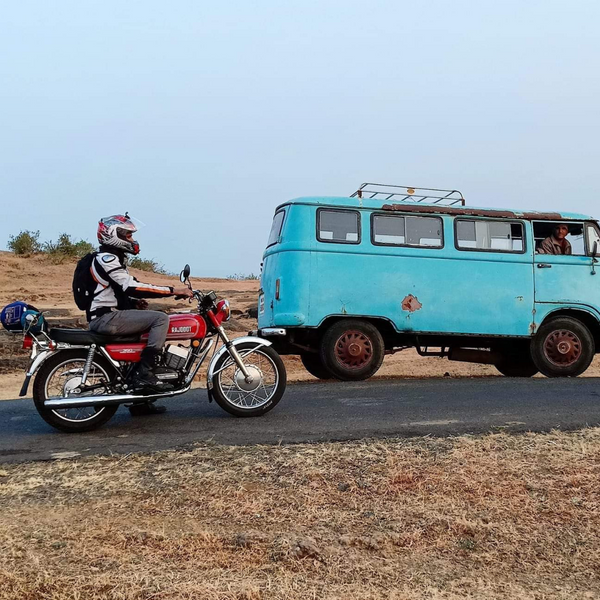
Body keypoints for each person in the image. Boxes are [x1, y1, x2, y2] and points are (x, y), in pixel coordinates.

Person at [88, 214, 192, 415]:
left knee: (145, 334)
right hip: (105, 318)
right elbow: (131, 286)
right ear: (112, 235)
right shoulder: (107, 259)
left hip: (109, 315)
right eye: (127, 235)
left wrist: (134, 304)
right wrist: (174, 290)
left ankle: (140, 401)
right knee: (160, 319)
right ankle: (145, 374)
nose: (131, 239)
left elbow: (112, 291)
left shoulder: (112, 259)